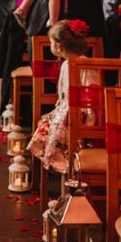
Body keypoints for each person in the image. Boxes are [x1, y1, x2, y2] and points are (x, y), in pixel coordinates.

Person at [27, 20, 98, 173]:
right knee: (45, 125)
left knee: (52, 128)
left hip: (79, 116)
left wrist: (89, 123)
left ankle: (61, 166)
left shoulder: (81, 65)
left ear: (58, 47)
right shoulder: (67, 64)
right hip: (68, 111)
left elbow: (90, 95)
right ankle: (53, 165)